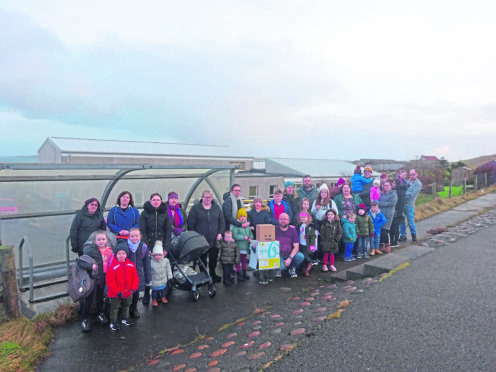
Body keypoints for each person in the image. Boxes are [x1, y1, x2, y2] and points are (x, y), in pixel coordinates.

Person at [77, 230, 113, 332]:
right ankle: (84, 319)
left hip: (103, 279)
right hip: (92, 280)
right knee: (88, 300)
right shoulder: (91, 251)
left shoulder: (110, 251)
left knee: (100, 298)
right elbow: (80, 262)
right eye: (99, 239)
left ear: (107, 240)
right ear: (95, 241)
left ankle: (100, 314)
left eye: (103, 239)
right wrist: (90, 266)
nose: (101, 241)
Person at [187, 190, 225, 282]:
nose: (208, 199)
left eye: (210, 197)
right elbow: (190, 224)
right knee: (202, 259)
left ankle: (212, 274)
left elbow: (222, 222)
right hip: (200, 240)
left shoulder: (216, 208)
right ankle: (204, 276)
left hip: (214, 239)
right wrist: (195, 236)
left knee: (213, 257)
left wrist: (220, 233)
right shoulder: (195, 208)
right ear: (202, 197)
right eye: (206, 197)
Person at [116, 228, 151, 314]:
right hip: (126, 274)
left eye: (136, 236)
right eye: (132, 236)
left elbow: (147, 263)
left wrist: (148, 278)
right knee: (126, 292)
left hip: (138, 274)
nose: (134, 238)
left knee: (136, 291)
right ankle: (125, 309)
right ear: (128, 237)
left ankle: (134, 308)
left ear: (140, 236)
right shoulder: (124, 246)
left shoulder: (143, 247)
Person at [106, 244, 139, 331]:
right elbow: (110, 281)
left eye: (123, 253)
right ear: (116, 255)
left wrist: (133, 288)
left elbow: (135, 278)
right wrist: (117, 291)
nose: (121, 255)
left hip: (128, 291)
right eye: (119, 253)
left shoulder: (131, 265)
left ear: (126, 254)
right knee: (115, 307)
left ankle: (125, 317)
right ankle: (113, 321)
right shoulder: (113, 267)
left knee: (127, 305)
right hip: (115, 293)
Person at [274, 213, 304, 278]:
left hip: (289, 254)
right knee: (282, 267)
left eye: (285, 219)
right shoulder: (273, 230)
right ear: (278, 220)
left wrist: (289, 258)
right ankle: (279, 269)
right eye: (281, 219)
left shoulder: (293, 231)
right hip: (278, 255)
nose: (283, 221)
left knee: (300, 256)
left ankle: (292, 267)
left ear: (288, 221)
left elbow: (296, 247)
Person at [400, 169, 422, 242]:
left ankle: (413, 234)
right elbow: (404, 188)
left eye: (413, 174)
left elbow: (412, 194)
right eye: (410, 175)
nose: (411, 176)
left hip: (409, 204)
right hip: (403, 203)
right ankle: (403, 235)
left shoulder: (418, 184)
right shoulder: (408, 181)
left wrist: (402, 195)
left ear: (417, 174)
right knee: (402, 220)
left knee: (410, 221)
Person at [231, 208, 253, 281]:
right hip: (238, 247)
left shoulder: (248, 227)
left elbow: (251, 234)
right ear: (238, 218)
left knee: (244, 260)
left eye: (244, 216)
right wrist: (243, 237)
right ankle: (238, 274)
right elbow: (235, 236)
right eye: (241, 216)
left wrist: (250, 238)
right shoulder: (236, 226)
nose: (242, 218)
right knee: (238, 261)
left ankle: (244, 273)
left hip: (245, 247)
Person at [150, 241, 172, 307]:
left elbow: (168, 268)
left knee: (163, 290)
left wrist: (169, 275)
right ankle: (154, 299)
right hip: (154, 280)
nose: (158, 257)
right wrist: (149, 280)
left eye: (159, 255)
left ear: (162, 255)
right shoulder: (151, 262)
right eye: (156, 255)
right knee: (154, 292)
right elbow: (148, 271)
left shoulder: (166, 261)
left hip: (163, 279)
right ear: (153, 255)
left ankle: (163, 297)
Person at [378, 179, 398, 253]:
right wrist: (382, 203)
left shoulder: (393, 194)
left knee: (384, 230)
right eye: (385, 185)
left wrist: (381, 203)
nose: (386, 187)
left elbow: (391, 203)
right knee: (380, 230)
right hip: (380, 214)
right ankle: (381, 245)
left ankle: (387, 245)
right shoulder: (381, 194)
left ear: (391, 186)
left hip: (388, 215)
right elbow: (377, 201)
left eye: (388, 185)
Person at [390, 171, 408, 247]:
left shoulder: (399, 191)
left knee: (396, 227)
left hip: (397, 211)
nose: (392, 184)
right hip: (394, 211)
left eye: (393, 183)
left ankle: (395, 241)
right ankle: (392, 241)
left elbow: (401, 203)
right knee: (393, 227)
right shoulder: (394, 190)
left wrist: (399, 212)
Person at [296, 212, 316, 276]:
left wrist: (312, 245)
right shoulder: (299, 225)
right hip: (301, 243)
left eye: (304, 217)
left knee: (306, 256)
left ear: (307, 218)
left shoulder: (310, 226)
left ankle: (309, 263)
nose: (303, 219)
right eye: (301, 217)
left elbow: (313, 236)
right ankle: (304, 269)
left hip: (307, 244)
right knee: (302, 256)